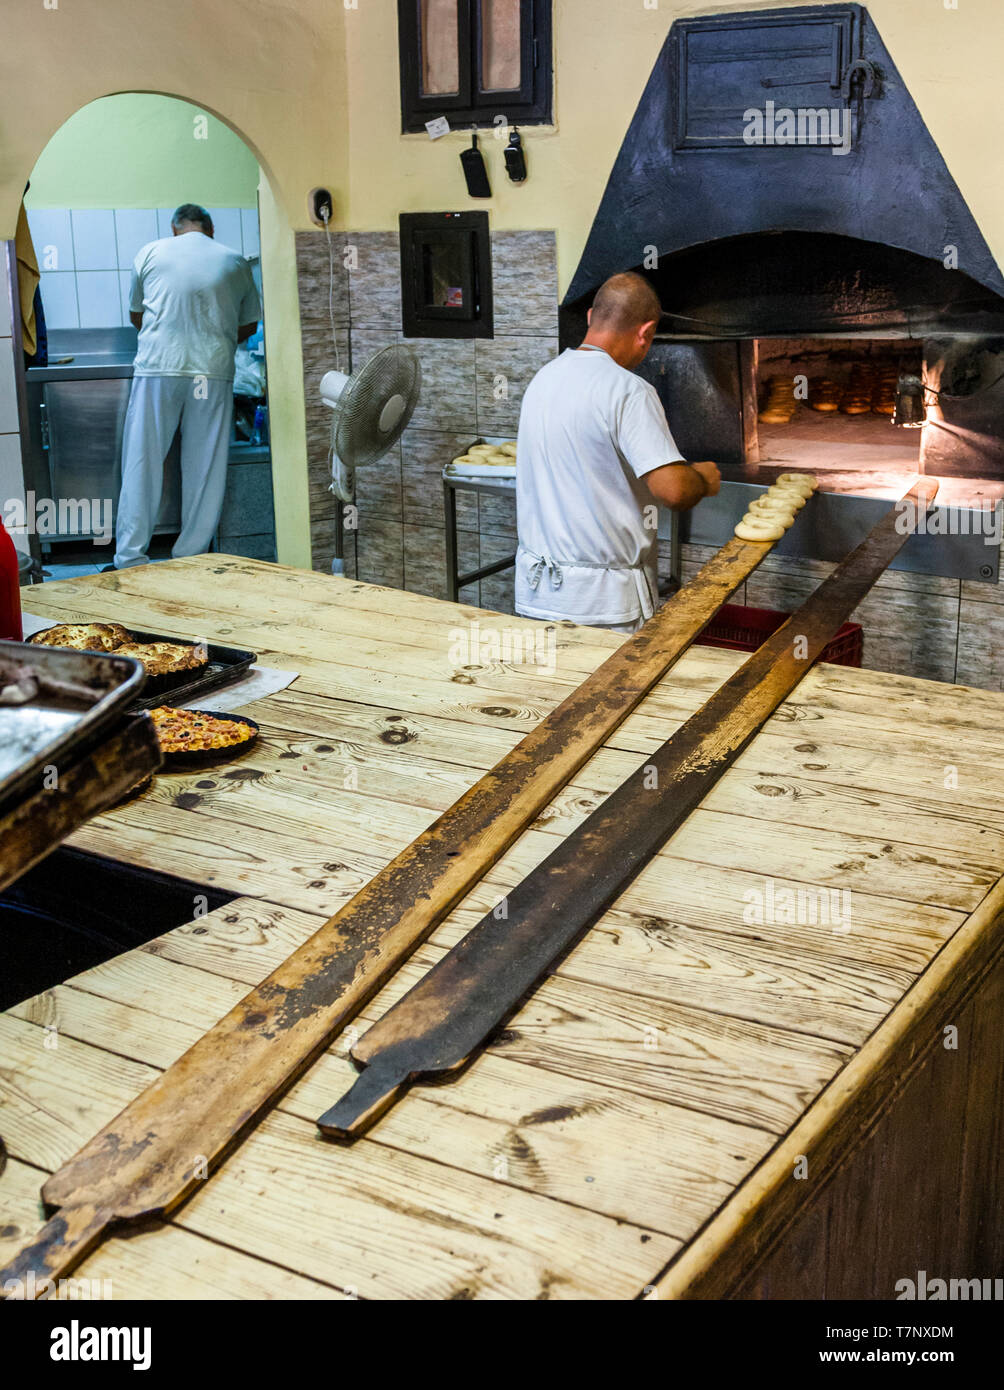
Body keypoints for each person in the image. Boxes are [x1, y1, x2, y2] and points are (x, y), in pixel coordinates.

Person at [515, 271, 721, 633]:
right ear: (646, 332)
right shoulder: (627, 390)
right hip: (603, 608)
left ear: (592, 317)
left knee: (552, 691)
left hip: (538, 597)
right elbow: (673, 490)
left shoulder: (544, 378)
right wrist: (702, 479)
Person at [112, 204, 261, 569]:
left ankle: (130, 557)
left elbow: (137, 314)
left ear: (175, 228)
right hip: (208, 375)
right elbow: (248, 327)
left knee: (142, 460)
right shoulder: (235, 260)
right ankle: (190, 557)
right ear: (209, 229)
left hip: (159, 370)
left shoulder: (150, 251)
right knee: (204, 465)